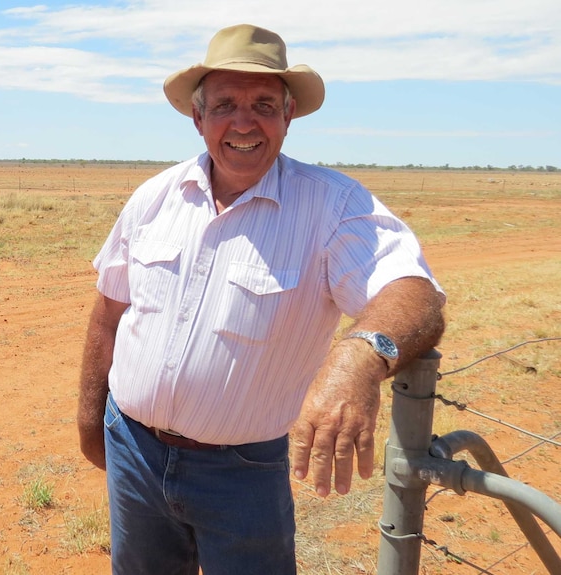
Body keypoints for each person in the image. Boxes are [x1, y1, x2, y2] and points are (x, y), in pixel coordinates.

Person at [77, 23, 445, 575]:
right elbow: (110, 314)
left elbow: (413, 294)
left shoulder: (333, 206)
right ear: (198, 117)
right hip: (132, 447)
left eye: (264, 105)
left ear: (288, 116)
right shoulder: (155, 197)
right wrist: (91, 419)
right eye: (225, 104)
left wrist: (357, 360)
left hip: (244, 471)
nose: (244, 122)